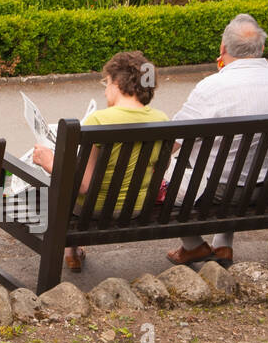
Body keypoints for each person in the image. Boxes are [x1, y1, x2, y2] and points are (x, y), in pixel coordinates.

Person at [167, 14, 268, 267]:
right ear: (261, 48)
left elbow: (174, 141)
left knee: (165, 172)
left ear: (222, 49)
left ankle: (193, 245)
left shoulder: (212, 87)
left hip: (224, 193)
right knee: (240, 159)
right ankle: (223, 244)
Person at [31, 51, 169, 273]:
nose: (105, 90)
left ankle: (71, 250)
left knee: (55, 185)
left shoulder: (100, 120)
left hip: (94, 210)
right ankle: (73, 252)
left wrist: (49, 162)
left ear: (116, 83)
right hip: (136, 207)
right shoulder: (161, 120)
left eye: (106, 83)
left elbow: (83, 185)